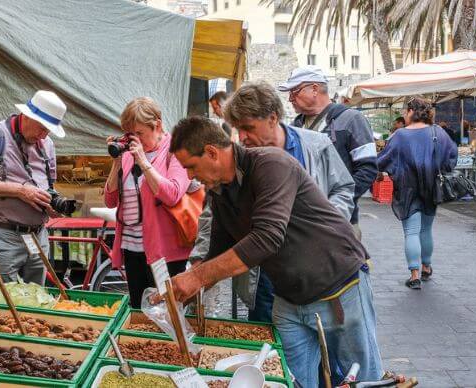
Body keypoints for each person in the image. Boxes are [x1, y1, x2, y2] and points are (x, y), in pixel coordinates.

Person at [168, 116, 383, 387]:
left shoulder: (271, 164)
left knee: (362, 379)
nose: (189, 176)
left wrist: (196, 278)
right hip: (289, 299)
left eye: (191, 166)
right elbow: (218, 252)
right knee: (290, 381)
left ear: (211, 152)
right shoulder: (220, 192)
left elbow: (266, 238)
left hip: (338, 287)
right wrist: (181, 294)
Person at [190, 81, 355, 323]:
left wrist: (323, 229)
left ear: (273, 118)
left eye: (248, 128)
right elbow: (213, 213)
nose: (242, 137)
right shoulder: (237, 160)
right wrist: (201, 258)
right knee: (271, 345)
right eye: (237, 129)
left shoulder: (315, 146)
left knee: (330, 345)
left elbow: (343, 188)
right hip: (264, 273)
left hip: (316, 270)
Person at [0, 90, 65, 284]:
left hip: (38, 237)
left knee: (36, 300)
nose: (43, 136)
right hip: (1, 236)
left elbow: (49, 185)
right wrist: (20, 191)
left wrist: (52, 204)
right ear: (26, 116)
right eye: (42, 128)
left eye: (48, 131)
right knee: (1, 304)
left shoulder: (47, 144)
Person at [104, 97, 193, 308]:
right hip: (133, 248)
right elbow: (110, 200)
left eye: (140, 133)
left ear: (158, 125)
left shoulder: (177, 150)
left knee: (167, 313)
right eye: (130, 134)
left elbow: (172, 193)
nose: (135, 139)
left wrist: (144, 162)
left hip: (164, 250)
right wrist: (116, 164)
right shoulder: (128, 154)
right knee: (139, 309)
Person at [280, 66, 378, 239]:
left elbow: (367, 169)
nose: (290, 98)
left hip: (341, 223)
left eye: (294, 91)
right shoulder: (295, 127)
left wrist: (335, 205)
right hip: (301, 223)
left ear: (315, 89)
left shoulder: (352, 120)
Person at [377, 98, 457, 289]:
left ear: (412, 111)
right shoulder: (438, 132)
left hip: (407, 188)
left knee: (411, 232)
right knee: (426, 229)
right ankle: (426, 266)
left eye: (406, 110)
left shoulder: (399, 136)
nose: (404, 114)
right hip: (431, 187)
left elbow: (383, 160)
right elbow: (451, 157)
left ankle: (414, 275)